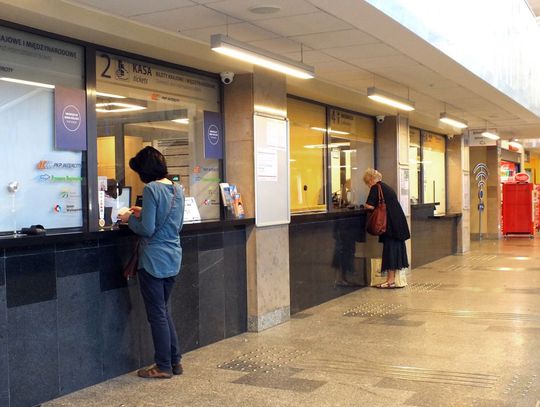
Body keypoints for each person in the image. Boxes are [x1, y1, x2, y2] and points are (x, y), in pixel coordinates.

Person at [119, 146, 185, 379]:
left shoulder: (151, 189)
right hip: (173, 257)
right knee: (164, 311)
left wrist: (129, 218)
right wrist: (143, 211)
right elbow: (177, 224)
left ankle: (163, 366)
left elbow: (147, 229)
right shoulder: (177, 189)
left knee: (157, 314)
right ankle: (175, 361)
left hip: (154, 260)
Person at [363, 168, 410, 288]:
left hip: (390, 225)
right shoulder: (386, 187)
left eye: (367, 183)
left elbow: (370, 206)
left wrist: (364, 205)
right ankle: (393, 280)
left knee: (390, 251)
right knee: (395, 250)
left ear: (371, 180)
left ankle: (390, 281)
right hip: (397, 224)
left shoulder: (376, 187)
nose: (368, 186)